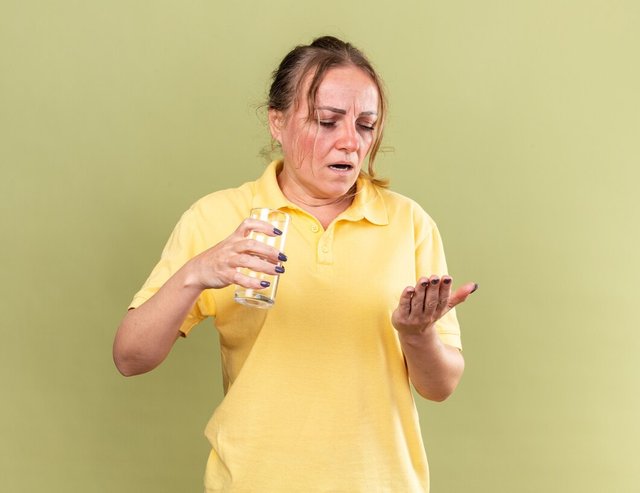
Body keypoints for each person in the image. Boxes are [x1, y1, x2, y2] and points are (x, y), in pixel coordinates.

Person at [113, 35, 478, 493]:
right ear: (277, 123)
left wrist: (417, 333)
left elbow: (440, 386)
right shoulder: (218, 217)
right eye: (327, 121)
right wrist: (197, 272)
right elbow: (130, 357)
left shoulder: (408, 223)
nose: (350, 141)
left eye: (366, 125)